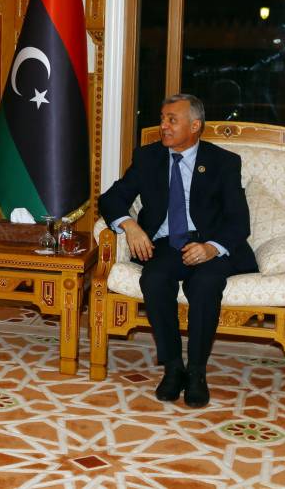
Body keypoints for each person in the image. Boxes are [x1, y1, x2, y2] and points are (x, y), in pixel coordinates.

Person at [98, 93, 257, 407]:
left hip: (208, 245)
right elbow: (111, 199)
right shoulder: (148, 158)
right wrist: (129, 226)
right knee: (154, 279)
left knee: (205, 283)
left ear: (195, 125)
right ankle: (173, 367)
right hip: (167, 245)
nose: (163, 126)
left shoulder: (223, 162)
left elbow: (239, 221)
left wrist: (212, 248)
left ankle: (197, 371)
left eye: (172, 120)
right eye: (162, 118)